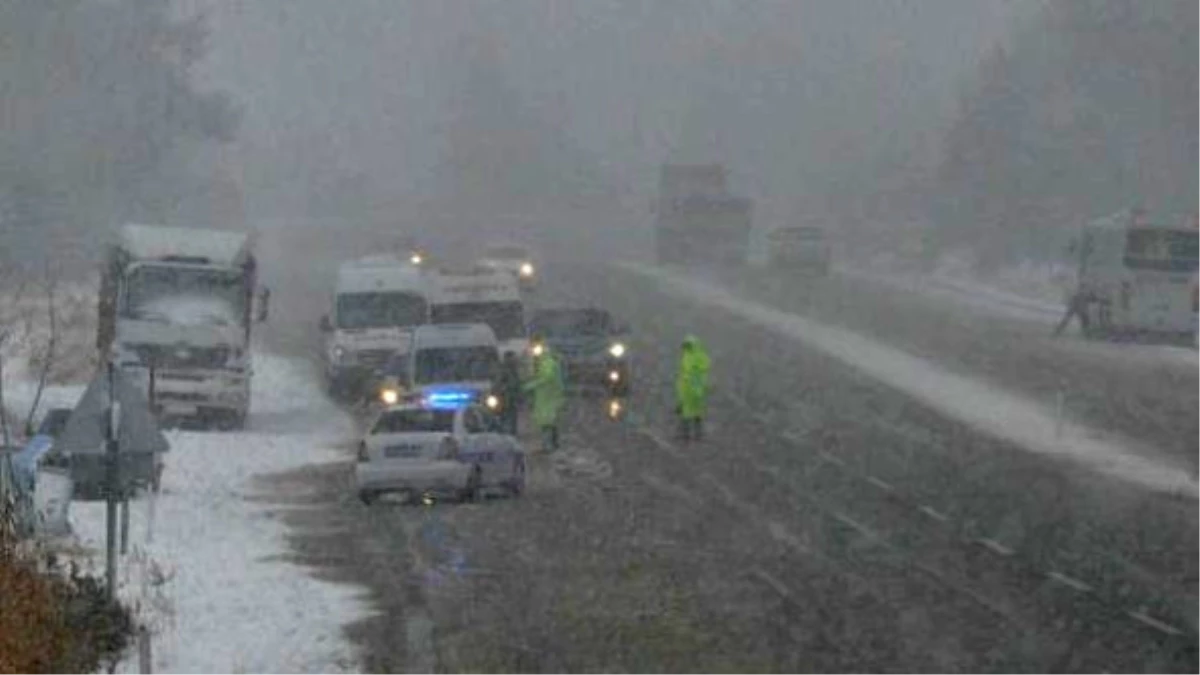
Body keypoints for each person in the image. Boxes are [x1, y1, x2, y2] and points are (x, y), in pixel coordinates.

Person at [524, 339, 565, 452]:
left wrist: (531, 385)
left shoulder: (547, 362)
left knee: (547, 423)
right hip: (546, 397)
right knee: (548, 423)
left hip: (548, 398)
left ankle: (549, 446)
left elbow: (547, 377)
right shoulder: (544, 362)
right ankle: (550, 445)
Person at [675, 335, 710, 441]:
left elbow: (693, 372)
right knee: (693, 411)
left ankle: (688, 433)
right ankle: (694, 433)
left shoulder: (692, 357)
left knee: (688, 411)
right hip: (690, 388)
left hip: (692, 388)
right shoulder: (695, 356)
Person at [495, 351, 523, 435]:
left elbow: (517, 384)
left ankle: (512, 433)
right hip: (505, 399)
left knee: (512, 417)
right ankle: (506, 433)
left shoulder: (513, 370)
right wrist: (506, 388)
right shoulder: (503, 370)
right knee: (506, 417)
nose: (514, 360)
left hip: (511, 398)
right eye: (512, 358)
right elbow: (498, 384)